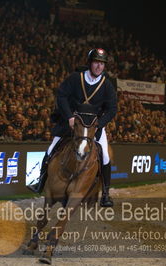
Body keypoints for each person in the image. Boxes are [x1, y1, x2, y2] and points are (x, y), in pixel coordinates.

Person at [28, 48, 117, 207]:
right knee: (51, 148)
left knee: (105, 156)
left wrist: (100, 124)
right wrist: (69, 116)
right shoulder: (76, 78)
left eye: (102, 64)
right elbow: (61, 95)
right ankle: (40, 181)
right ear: (90, 63)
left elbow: (112, 110)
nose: (99, 66)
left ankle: (106, 193)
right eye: (96, 62)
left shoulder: (107, 85)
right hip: (71, 122)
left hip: (93, 126)